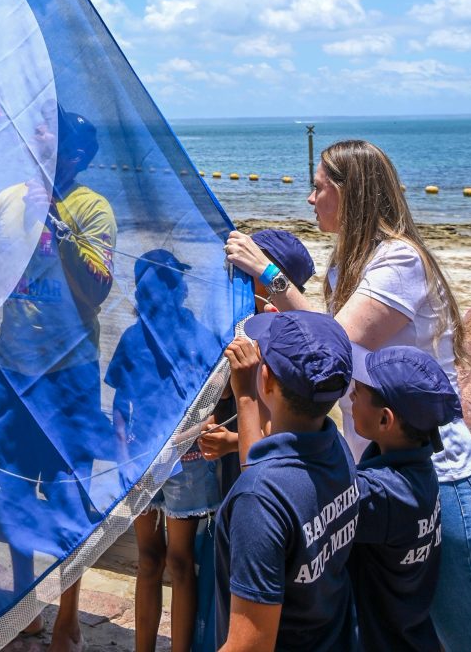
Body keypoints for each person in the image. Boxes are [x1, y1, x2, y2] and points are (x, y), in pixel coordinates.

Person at [224, 138, 471, 652]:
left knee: (467, 634)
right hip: (380, 475)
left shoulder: (401, 260)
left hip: (438, 480)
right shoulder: (353, 260)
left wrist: (267, 272)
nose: (310, 199)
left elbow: (336, 347)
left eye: (319, 187)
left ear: (352, 194)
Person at [0, 109, 116, 652]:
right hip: (11, 368)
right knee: (9, 492)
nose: (31, 146)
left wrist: (55, 225)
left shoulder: (92, 208)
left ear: (73, 157)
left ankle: (69, 615)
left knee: (65, 497)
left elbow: (98, 291)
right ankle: (26, 603)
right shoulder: (9, 198)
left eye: (45, 140)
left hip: (69, 376)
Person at [214, 310, 359, 652]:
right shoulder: (333, 445)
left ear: (266, 380)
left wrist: (246, 392)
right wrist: (248, 396)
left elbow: (249, 645)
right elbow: (266, 476)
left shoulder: (260, 500)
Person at [107, 249, 222, 652]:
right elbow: (120, 408)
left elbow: (215, 404)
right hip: (140, 463)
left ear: (179, 291)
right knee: (148, 559)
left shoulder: (201, 337)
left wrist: (201, 432)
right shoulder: (133, 338)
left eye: (165, 289)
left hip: (187, 464)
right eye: (147, 292)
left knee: (179, 561)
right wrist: (122, 459)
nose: (156, 300)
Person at [348, 344, 461, 652]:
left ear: (386, 421)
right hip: (411, 638)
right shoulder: (419, 472)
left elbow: (303, 488)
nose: (350, 397)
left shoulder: (382, 495)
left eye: (357, 392)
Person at [199, 229, 315, 471]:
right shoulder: (241, 324)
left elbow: (278, 432)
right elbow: (225, 393)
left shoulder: (277, 344)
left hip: (256, 469)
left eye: (246, 267)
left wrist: (232, 442)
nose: (233, 273)